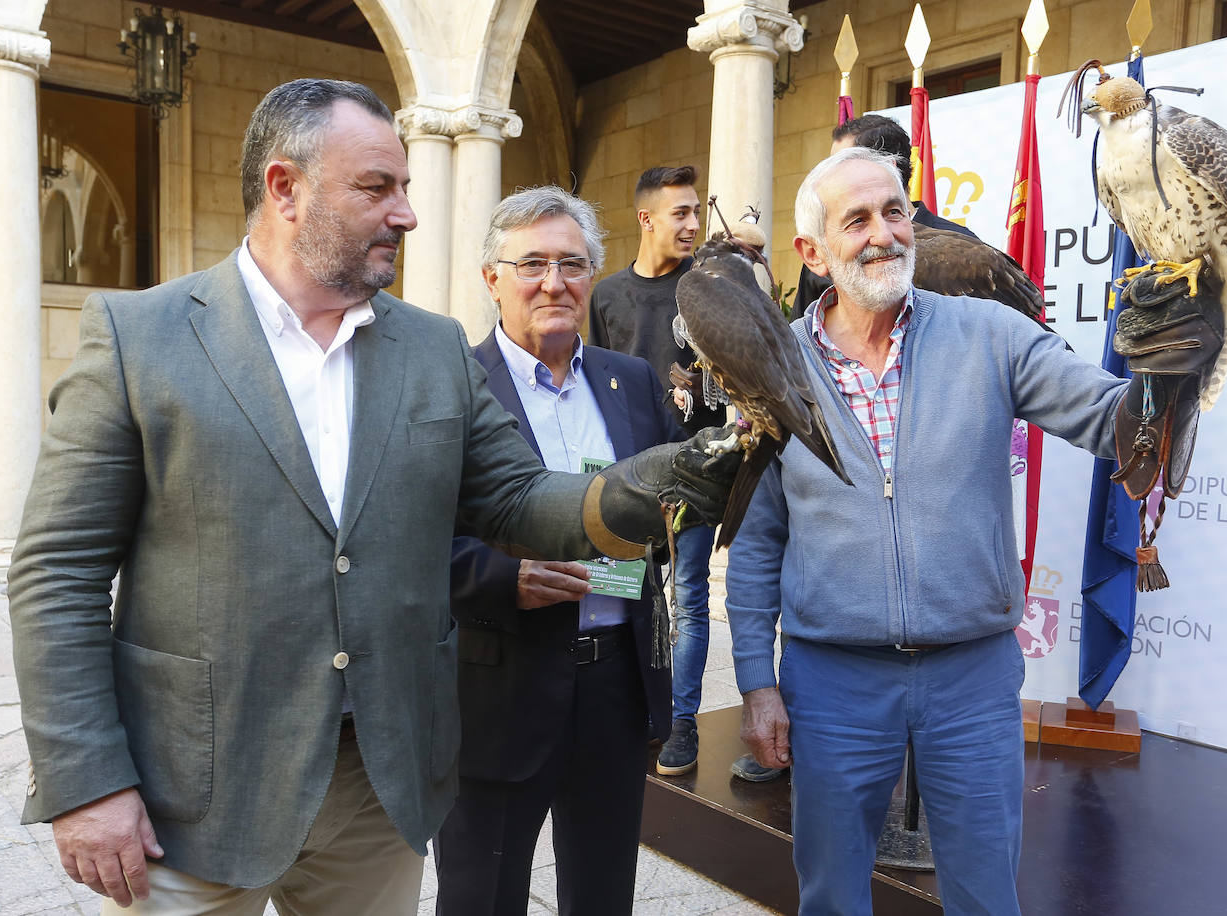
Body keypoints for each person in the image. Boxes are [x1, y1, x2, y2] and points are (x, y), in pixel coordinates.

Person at [7, 79, 733, 914]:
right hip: (196, 797)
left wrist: (687, 470)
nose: (407, 214)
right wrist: (86, 780)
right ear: (285, 188)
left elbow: (523, 499)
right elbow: (55, 577)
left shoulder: (428, 349)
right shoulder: (140, 339)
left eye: (406, 189)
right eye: (377, 188)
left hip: (376, 793)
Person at [726, 146, 1128, 915]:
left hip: (970, 678)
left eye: (895, 212)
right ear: (811, 251)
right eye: (857, 220)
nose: (884, 234)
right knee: (833, 897)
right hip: (832, 681)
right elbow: (756, 538)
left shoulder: (989, 334)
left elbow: (1111, 418)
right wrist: (755, 681)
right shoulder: (778, 368)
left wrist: (1166, 382)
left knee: (984, 896)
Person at [433, 186, 684, 914]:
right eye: (532, 264)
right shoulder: (452, 386)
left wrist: (670, 522)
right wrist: (501, 578)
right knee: (483, 898)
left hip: (615, 684)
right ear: (491, 278)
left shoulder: (630, 382)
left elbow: (667, 506)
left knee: (603, 896)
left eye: (572, 265)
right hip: (499, 687)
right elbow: (411, 537)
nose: (554, 283)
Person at [588, 165, 721, 777]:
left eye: (696, 211)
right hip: (622, 477)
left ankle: (682, 721)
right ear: (647, 219)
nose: (693, 224)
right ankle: (620, 708)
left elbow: (730, 391)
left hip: (695, 471)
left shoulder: (710, 287)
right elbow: (586, 379)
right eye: (680, 213)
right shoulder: (607, 295)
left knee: (689, 597)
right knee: (621, 592)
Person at [789, 114, 978, 320]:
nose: (883, 237)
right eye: (857, 222)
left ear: (889, 166)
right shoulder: (826, 250)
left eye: (846, 163)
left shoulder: (965, 248)